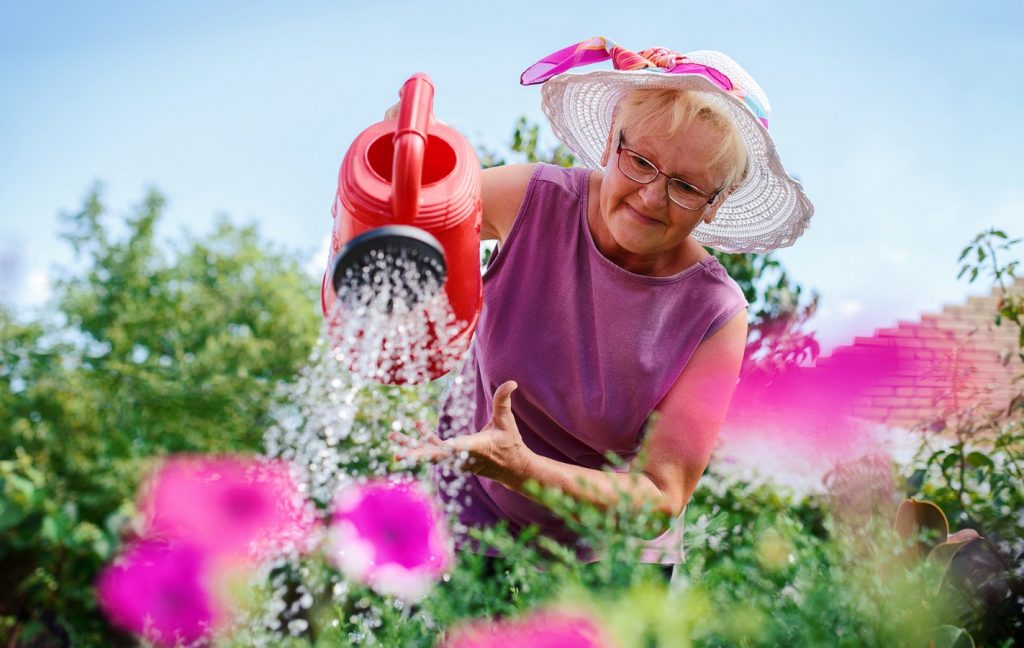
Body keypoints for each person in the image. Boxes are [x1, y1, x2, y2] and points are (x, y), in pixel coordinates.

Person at [395, 37, 813, 563]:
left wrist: (522, 468)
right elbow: (414, 217)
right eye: (640, 161)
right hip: (472, 503)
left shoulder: (715, 314)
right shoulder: (533, 200)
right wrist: (406, 162)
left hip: (608, 555)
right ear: (611, 145)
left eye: (685, 186)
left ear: (715, 204)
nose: (650, 197)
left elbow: (662, 494)